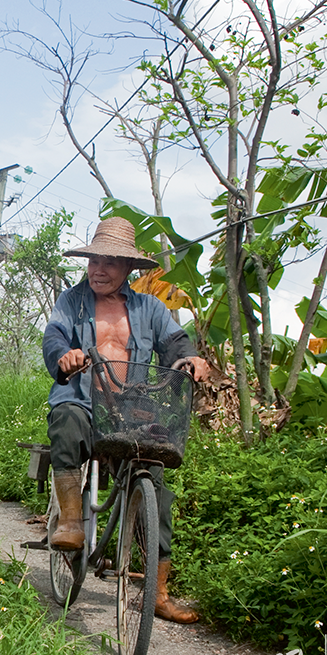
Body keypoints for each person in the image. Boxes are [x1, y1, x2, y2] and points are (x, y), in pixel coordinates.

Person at [42, 216, 208, 624]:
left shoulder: (149, 307)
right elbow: (54, 337)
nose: (98, 270)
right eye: (94, 261)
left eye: (110, 263)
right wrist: (66, 355)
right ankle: (69, 521)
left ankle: (158, 591)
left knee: (155, 482)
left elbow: (175, 342)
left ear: (129, 269)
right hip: (83, 399)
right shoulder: (71, 301)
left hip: (131, 407)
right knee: (65, 418)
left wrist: (190, 358)